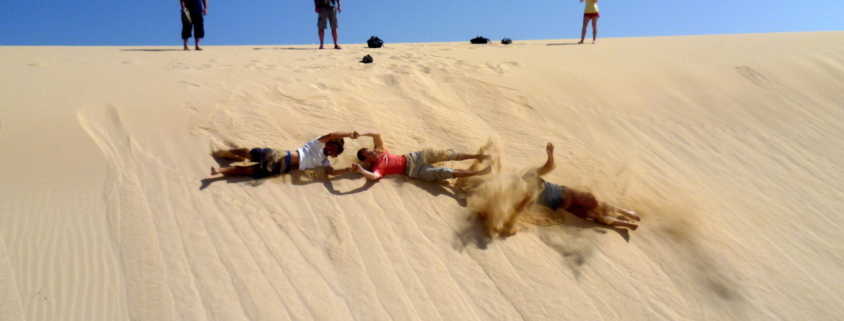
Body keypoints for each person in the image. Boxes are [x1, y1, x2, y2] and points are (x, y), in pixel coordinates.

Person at [502, 142, 640, 235]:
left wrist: (550, 154)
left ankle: (628, 213)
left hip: (569, 194)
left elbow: (547, 167)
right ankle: (626, 224)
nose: (520, 185)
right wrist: (526, 200)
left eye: (518, 181)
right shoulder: (520, 197)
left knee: (599, 206)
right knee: (593, 216)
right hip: (565, 207)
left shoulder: (529, 174)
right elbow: (516, 212)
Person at [210, 131, 359, 178]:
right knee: (249, 154)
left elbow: (331, 172)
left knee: (250, 171)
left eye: (335, 151)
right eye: (332, 146)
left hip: (282, 169)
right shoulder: (318, 144)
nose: (332, 150)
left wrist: (347, 170)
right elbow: (332, 134)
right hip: (281, 156)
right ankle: (227, 152)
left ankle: (220, 171)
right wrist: (349, 134)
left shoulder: (324, 161)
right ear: (329, 143)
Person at [350, 132, 491, 182]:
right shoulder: (377, 167)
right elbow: (374, 177)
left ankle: (478, 156)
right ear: (366, 160)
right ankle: (478, 173)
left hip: (414, 157)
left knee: (446, 154)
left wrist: (361, 134)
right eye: (368, 153)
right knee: (445, 172)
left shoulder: (380, 151)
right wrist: (361, 171)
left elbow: (377, 135)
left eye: (370, 150)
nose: (372, 152)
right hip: (414, 171)